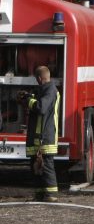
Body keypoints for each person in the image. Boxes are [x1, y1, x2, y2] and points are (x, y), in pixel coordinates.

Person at [23, 65, 60, 202]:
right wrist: (28, 96)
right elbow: (38, 100)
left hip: (46, 137)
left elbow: (41, 107)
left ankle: (52, 195)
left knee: (47, 166)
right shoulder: (44, 91)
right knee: (35, 166)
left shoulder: (51, 90)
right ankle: (39, 194)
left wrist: (29, 101)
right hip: (37, 138)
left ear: (39, 78)